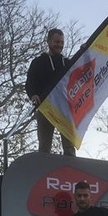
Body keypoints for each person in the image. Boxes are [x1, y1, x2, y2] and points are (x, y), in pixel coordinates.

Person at [25, 28, 76, 156]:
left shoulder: (68, 63)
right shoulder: (38, 62)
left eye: (62, 42)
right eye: (56, 42)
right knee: (44, 145)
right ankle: (43, 170)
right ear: (48, 42)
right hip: (45, 108)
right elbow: (30, 82)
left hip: (65, 108)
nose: (60, 45)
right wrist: (33, 95)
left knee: (69, 146)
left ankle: (71, 171)